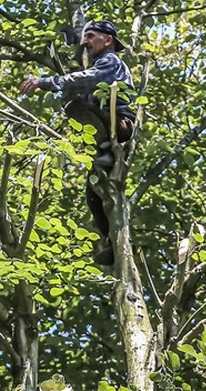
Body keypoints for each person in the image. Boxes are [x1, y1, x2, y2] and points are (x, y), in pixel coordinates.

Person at [19, 20, 136, 265]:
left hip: (118, 124)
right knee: (93, 192)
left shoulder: (111, 61)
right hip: (108, 127)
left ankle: (104, 145)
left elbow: (85, 79)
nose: (86, 42)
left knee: (73, 104)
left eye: (91, 36)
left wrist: (45, 82)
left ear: (108, 40)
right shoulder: (101, 61)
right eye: (84, 37)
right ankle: (112, 243)